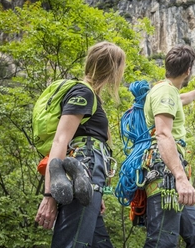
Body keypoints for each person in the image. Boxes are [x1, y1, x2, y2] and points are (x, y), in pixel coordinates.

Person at [34, 41, 126, 248]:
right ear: (112, 69)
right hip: (85, 169)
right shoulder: (83, 93)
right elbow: (60, 140)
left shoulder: (91, 97)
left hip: (89, 175)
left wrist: (98, 192)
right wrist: (49, 194)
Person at [143, 44, 195, 247]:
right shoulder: (165, 92)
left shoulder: (168, 92)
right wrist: (181, 178)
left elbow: (181, 99)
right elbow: (163, 134)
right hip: (167, 173)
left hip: (171, 174)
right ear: (188, 70)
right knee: (162, 242)